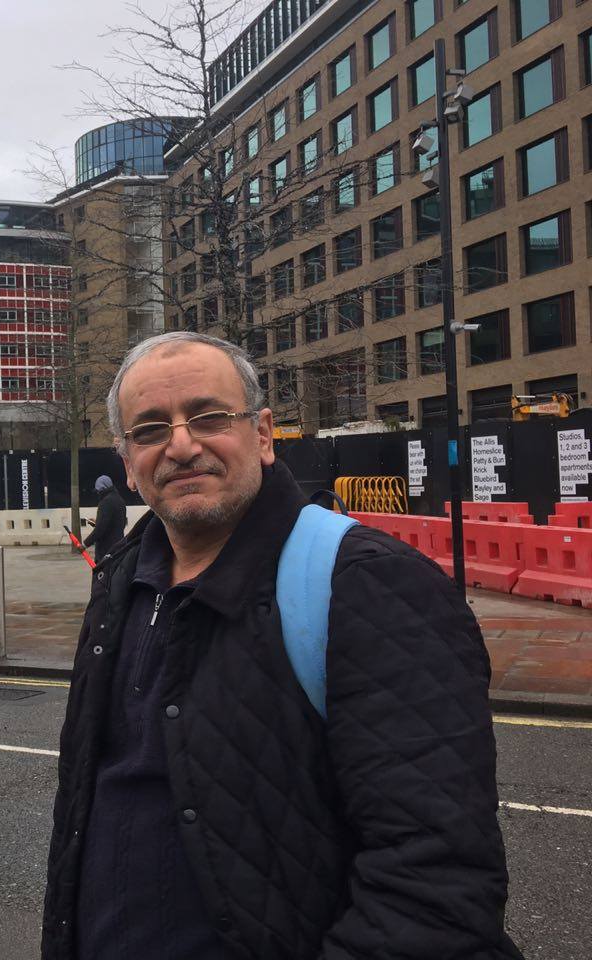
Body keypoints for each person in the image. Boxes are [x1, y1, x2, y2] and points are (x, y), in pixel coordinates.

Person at [43, 331, 519, 960]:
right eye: (151, 429)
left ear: (263, 435)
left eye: (209, 417)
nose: (181, 445)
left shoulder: (369, 584)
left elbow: (434, 885)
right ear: (128, 462)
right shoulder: (119, 583)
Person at [83, 475, 127, 563]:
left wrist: (84, 544)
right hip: (118, 547)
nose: (97, 493)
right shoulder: (120, 500)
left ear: (102, 488)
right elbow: (117, 524)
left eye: (98, 490)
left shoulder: (105, 502)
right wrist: (97, 523)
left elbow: (100, 529)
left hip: (105, 550)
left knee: (103, 571)